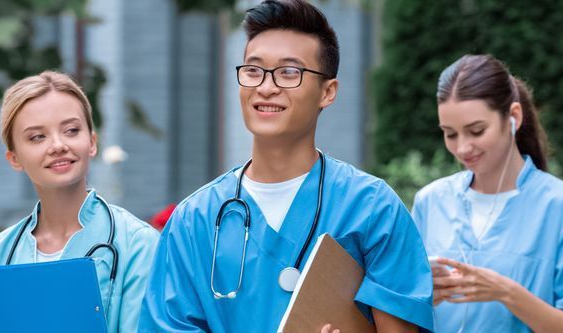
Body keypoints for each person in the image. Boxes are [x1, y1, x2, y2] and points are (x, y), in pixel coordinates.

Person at [139, 1, 433, 332]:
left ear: (328, 91)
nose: (266, 87)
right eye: (253, 70)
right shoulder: (195, 220)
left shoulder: (372, 209)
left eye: (289, 72)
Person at [411, 54, 563, 332]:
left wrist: (506, 293)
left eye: (476, 130)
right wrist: (421, 299)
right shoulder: (431, 202)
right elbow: (403, 312)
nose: (463, 148)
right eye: (450, 134)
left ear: (513, 117)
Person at [0, 71, 159, 333]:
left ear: (92, 143)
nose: (58, 145)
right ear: (14, 158)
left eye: (71, 130)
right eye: (37, 137)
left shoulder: (138, 245)